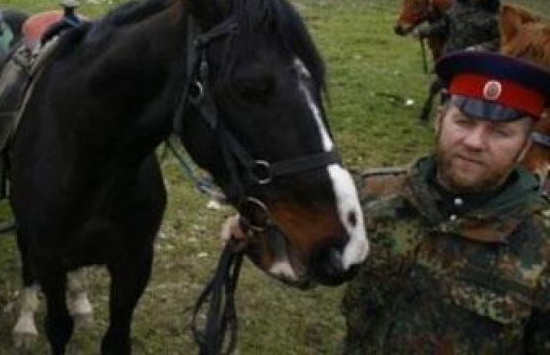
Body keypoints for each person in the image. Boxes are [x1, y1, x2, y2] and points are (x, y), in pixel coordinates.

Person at [223, 51, 550, 352]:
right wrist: (257, 235)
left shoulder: (541, 246)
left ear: (525, 146)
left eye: (500, 132)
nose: (475, 142)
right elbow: (310, 266)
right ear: (440, 120)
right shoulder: (373, 195)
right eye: (464, 121)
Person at [418, 0, 501, 54]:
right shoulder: (459, 4)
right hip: (451, 55)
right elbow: (445, 22)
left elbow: (499, 40)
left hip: (476, 59)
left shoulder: (494, 13)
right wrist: (425, 31)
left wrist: (481, 48)